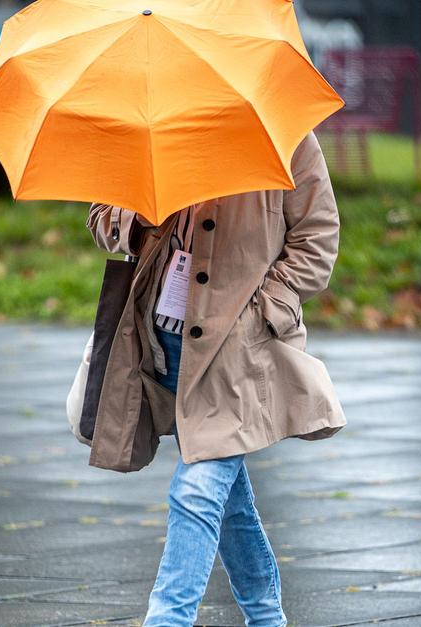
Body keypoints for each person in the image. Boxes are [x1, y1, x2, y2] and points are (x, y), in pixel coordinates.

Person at [86, 132, 346, 625]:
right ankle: (267, 618)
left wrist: (267, 311)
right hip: (162, 342)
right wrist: (141, 216)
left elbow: (317, 238)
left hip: (238, 351)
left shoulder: (281, 133)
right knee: (230, 506)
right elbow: (101, 217)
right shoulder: (152, 126)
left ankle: (167, 620)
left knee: (197, 492)